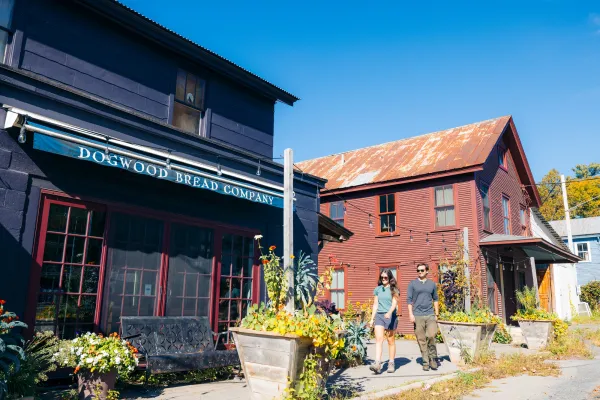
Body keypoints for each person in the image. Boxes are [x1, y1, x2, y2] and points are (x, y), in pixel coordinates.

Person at [407, 263, 440, 371]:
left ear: (427, 271)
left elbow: (435, 299)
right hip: (417, 315)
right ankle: (426, 361)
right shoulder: (412, 284)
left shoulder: (432, 284)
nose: (420, 272)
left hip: (430, 314)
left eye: (422, 270)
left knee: (431, 335)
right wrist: (411, 314)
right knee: (421, 340)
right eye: (418, 270)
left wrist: (436, 314)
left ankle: (433, 358)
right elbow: (409, 301)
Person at [368, 269, 400, 374]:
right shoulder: (378, 289)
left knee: (390, 340)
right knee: (379, 339)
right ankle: (377, 363)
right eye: (382, 277)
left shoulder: (394, 289)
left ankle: (391, 363)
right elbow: (375, 304)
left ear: (390, 278)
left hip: (391, 315)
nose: (383, 279)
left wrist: (390, 312)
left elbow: (394, 304)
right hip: (380, 315)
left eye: (385, 277)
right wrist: (372, 319)